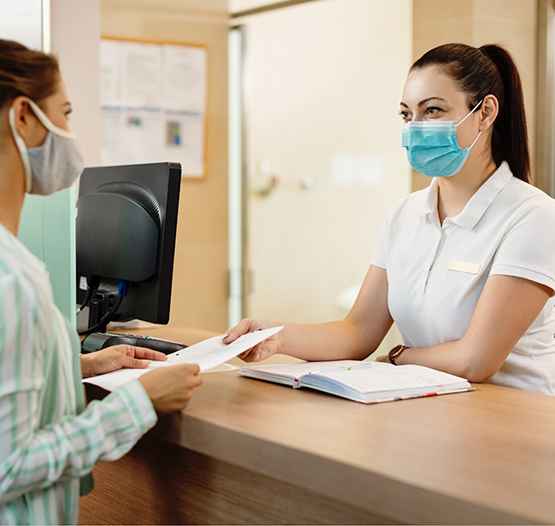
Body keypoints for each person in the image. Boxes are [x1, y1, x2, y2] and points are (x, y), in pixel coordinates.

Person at [225, 43, 555, 396]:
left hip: (516, 419)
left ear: (485, 113)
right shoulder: (405, 214)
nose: (416, 127)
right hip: (432, 409)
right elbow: (357, 331)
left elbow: (474, 360)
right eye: (406, 115)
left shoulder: (533, 217)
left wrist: (397, 357)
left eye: (432, 110)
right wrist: (276, 336)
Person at [0, 39, 203, 525]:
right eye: (65, 113)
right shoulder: (12, 280)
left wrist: (78, 366)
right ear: (24, 117)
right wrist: (139, 403)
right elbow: (10, 465)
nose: (70, 133)